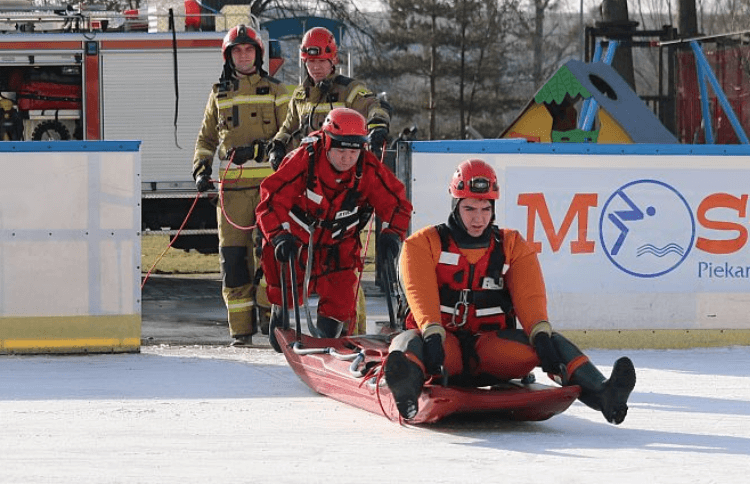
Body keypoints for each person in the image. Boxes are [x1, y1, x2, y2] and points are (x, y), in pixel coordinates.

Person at [383, 159, 637, 424]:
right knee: (408, 340)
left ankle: (604, 394)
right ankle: (407, 392)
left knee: (552, 341)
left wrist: (542, 341)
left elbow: (531, 300)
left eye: (485, 208)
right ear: (455, 205)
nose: (478, 218)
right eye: (469, 208)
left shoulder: (512, 245)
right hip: (441, 352)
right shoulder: (422, 244)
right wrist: (433, 336)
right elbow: (420, 297)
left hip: (492, 352)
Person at [256, 107, 412, 345]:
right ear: (327, 142)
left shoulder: (368, 168)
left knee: (341, 299)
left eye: (353, 151)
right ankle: (281, 314)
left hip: (339, 242)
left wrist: (393, 234)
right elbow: (270, 200)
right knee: (282, 272)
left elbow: (398, 203)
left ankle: (329, 339)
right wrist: (278, 236)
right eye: (340, 149)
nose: (347, 158)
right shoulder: (304, 160)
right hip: (298, 240)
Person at [192, 24, 292, 347]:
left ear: (258, 54)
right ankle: (240, 331)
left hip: (269, 192)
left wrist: (261, 150)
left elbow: (289, 140)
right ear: (229, 56)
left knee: (270, 257)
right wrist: (200, 168)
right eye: (237, 50)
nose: (244, 55)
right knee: (233, 260)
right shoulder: (218, 93)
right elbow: (206, 138)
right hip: (231, 195)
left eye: (249, 50)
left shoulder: (278, 91)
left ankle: (270, 321)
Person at [267, 27, 391, 170]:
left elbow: (375, 107)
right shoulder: (300, 95)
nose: (316, 67)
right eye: (311, 62)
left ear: (333, 60)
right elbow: (288, 128)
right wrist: (277, 145)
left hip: (343, 174)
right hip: (308, 174)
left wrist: (378, 126)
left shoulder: (349, 89)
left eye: (321, 61)